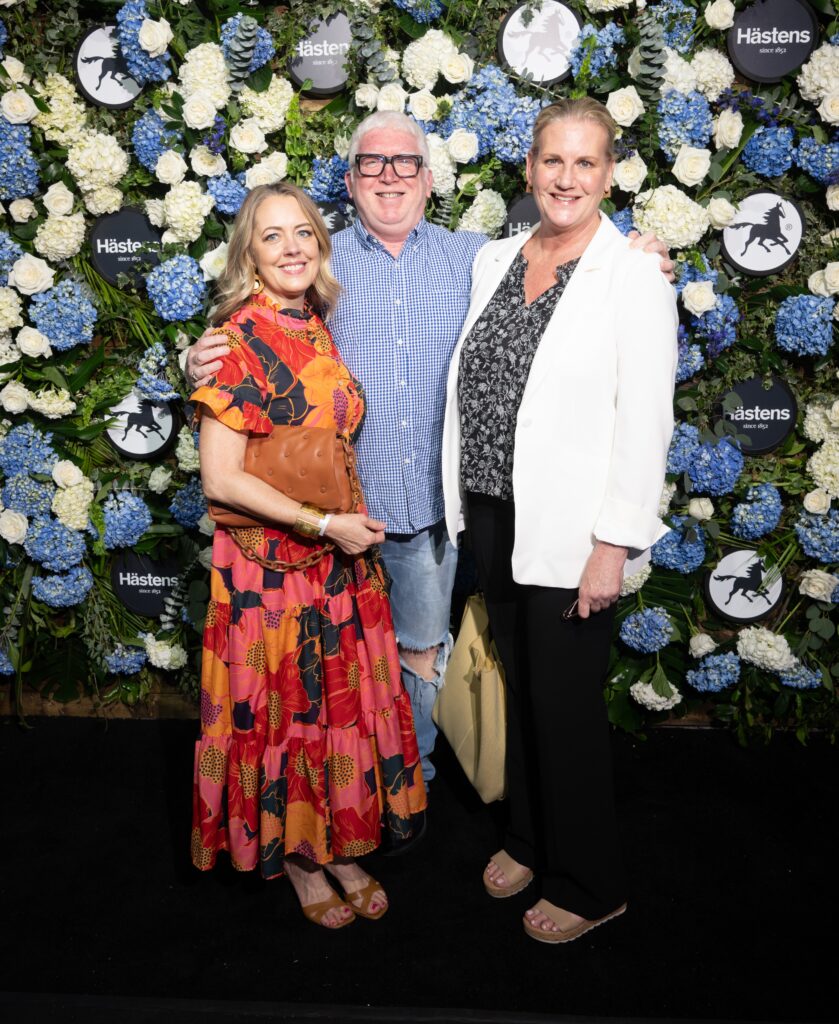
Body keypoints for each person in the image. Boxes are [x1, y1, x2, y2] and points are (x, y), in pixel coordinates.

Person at [186, 111, 673, 794]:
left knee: (419, 654)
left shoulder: (477, 259)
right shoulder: (318, 261)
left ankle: (406, 790)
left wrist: (639, 255)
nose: (389, 176)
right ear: (349, 182)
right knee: (325, 664)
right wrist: (197, 358)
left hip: (425, 517)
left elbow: (566, 260)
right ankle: (336, 798)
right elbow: (257, 328)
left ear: (429, 178)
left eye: (405, 162)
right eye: (372, 163)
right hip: (330, 518)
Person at [441, 98, 678, 943]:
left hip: (574, 532)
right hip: (492, 513)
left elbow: (645, 421)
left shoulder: (631, 274)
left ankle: (589, 881)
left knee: (566, 705)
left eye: (585, 163)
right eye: (553, 161)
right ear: (530, 167)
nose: (566, 178)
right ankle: (529, 838)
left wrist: (612, 547)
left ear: (609, 174)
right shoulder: (495, 258)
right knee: (520, 690)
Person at [190, 182, 426, 929]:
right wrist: (324, 523)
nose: (291, 247)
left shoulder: (312, 322)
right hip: (270, 571)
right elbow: (220, 478)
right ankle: (297, 859)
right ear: (248, 256)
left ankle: (337, 847)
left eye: (302, 232)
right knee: (287, 712)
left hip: (332, 561)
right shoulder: (236, 339)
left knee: (329, 711)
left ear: (320, 244)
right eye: (272, 236)